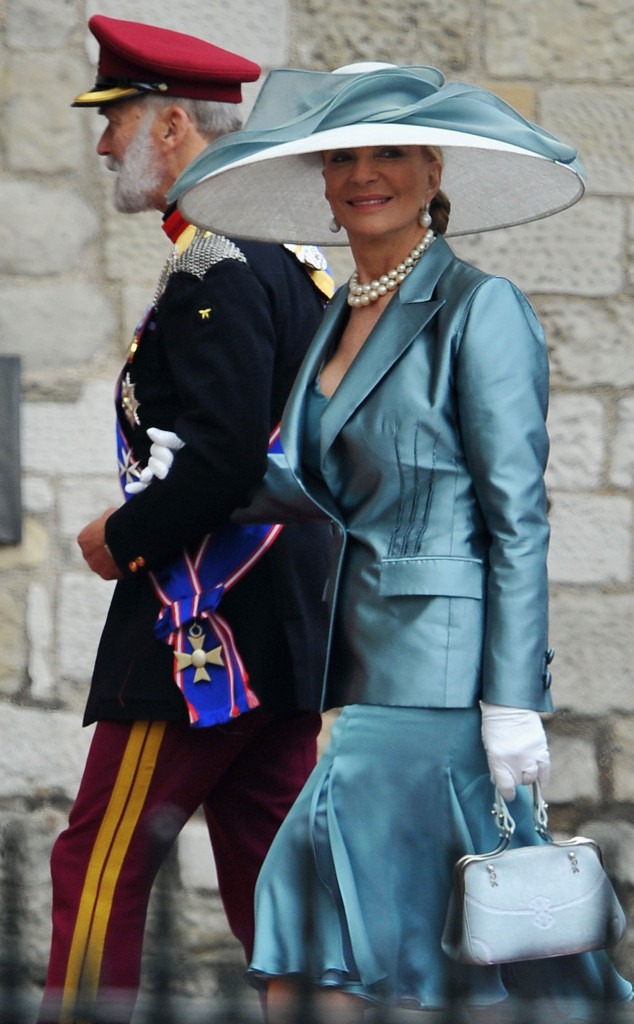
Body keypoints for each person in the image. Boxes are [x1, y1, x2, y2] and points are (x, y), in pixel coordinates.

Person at [168, 64, 634, 1022]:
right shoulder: (340, 310)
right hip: (370, 664)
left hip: (441, 682)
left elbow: (518, 518)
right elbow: (324, 486)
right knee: (364, 949)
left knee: (322, 927)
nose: (361, 174)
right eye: (342, 156)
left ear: (433, 170)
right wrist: (175, 489)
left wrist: (513, 700)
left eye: (387, 152)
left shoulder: (478, 306)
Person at [38, 17, 334, 1024]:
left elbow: (220, 458)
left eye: (117, 120)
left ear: (173, 127)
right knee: (270, 874)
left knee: (99, 857)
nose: (104, 146)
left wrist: (118, 539)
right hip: (289, 628)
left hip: (204, 630)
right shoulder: (290, 258)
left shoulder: (213, 263)